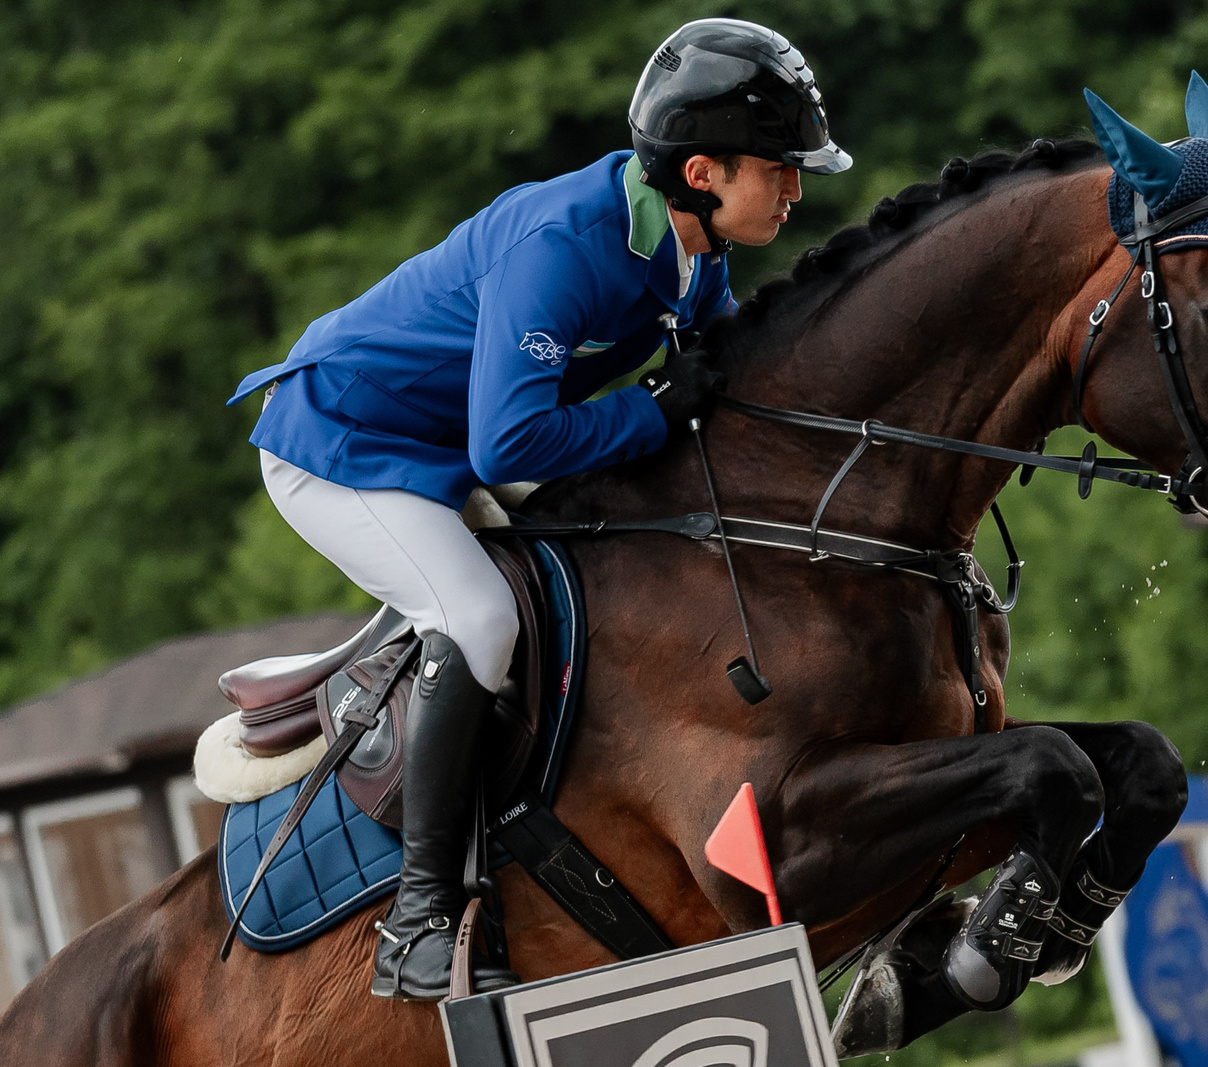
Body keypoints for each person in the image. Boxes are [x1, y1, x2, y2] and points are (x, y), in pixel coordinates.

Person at [226, 18, 851, 1000]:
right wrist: (648, 413)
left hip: (440, 442)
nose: (795, 190)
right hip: (342, 446)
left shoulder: (693, 247)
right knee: (477, 616)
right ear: (701, 173)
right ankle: (418, 919)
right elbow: (508, 446)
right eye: (779, 168)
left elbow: (722, 383)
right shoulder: (564, 246)